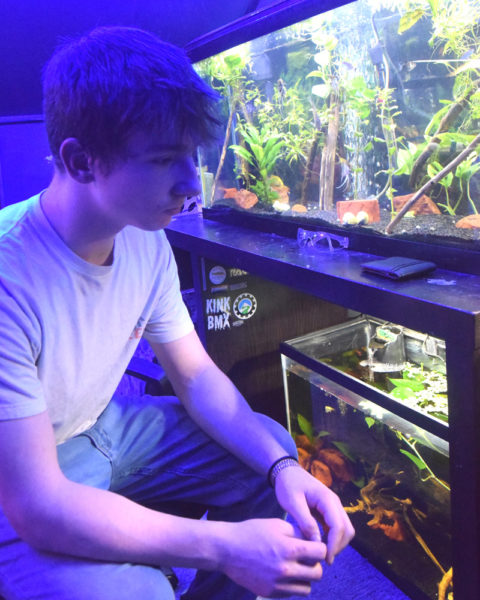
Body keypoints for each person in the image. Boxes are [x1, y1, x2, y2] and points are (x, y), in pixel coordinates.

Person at [0, 26, 354, 600]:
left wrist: (283, 469)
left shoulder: (145, 239)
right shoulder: (10, 275)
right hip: (20, 480)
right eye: (165, 159)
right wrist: (219, 546)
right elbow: (38, 504)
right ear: (81, 160)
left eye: (191, 156)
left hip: (106, 430)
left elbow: (195, 375)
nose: (190, 185)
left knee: (272, 456)